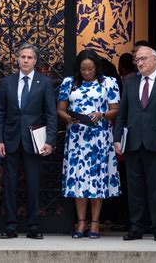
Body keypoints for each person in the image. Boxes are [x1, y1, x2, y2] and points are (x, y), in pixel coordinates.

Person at [114, 46, 156, 242]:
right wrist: (117, 138)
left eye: (143, 59)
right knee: (135, 189)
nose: (139, 63)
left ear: (154, 60)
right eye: (137, 59)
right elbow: (122, 114)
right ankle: (136, 228)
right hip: (133, 143)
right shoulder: (130, 83)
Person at [0, 43, 58, 239]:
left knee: (33, 184)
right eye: (22, 57)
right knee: (10, 184)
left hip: (34, 142)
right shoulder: (8, 82)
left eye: (29, 57)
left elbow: (51, 114)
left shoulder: (44, 82)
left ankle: (33, 226)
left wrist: (50, 141)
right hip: (11, 140)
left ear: (35, 61)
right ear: (17, 59)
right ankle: (11, 226)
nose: (26, 60)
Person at [57, 49, 121, 239]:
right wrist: (69, 118)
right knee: (78, 180)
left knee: (97, 180)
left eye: (90, 69)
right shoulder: (69, 82)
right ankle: (81, 222)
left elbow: (115, 109)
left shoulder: (109, 82)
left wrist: (101, 114)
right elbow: (60, 108)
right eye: (83, 69)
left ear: (96, 67)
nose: (86, 73)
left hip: (99, 138)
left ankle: (95, 223)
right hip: (77, 138)